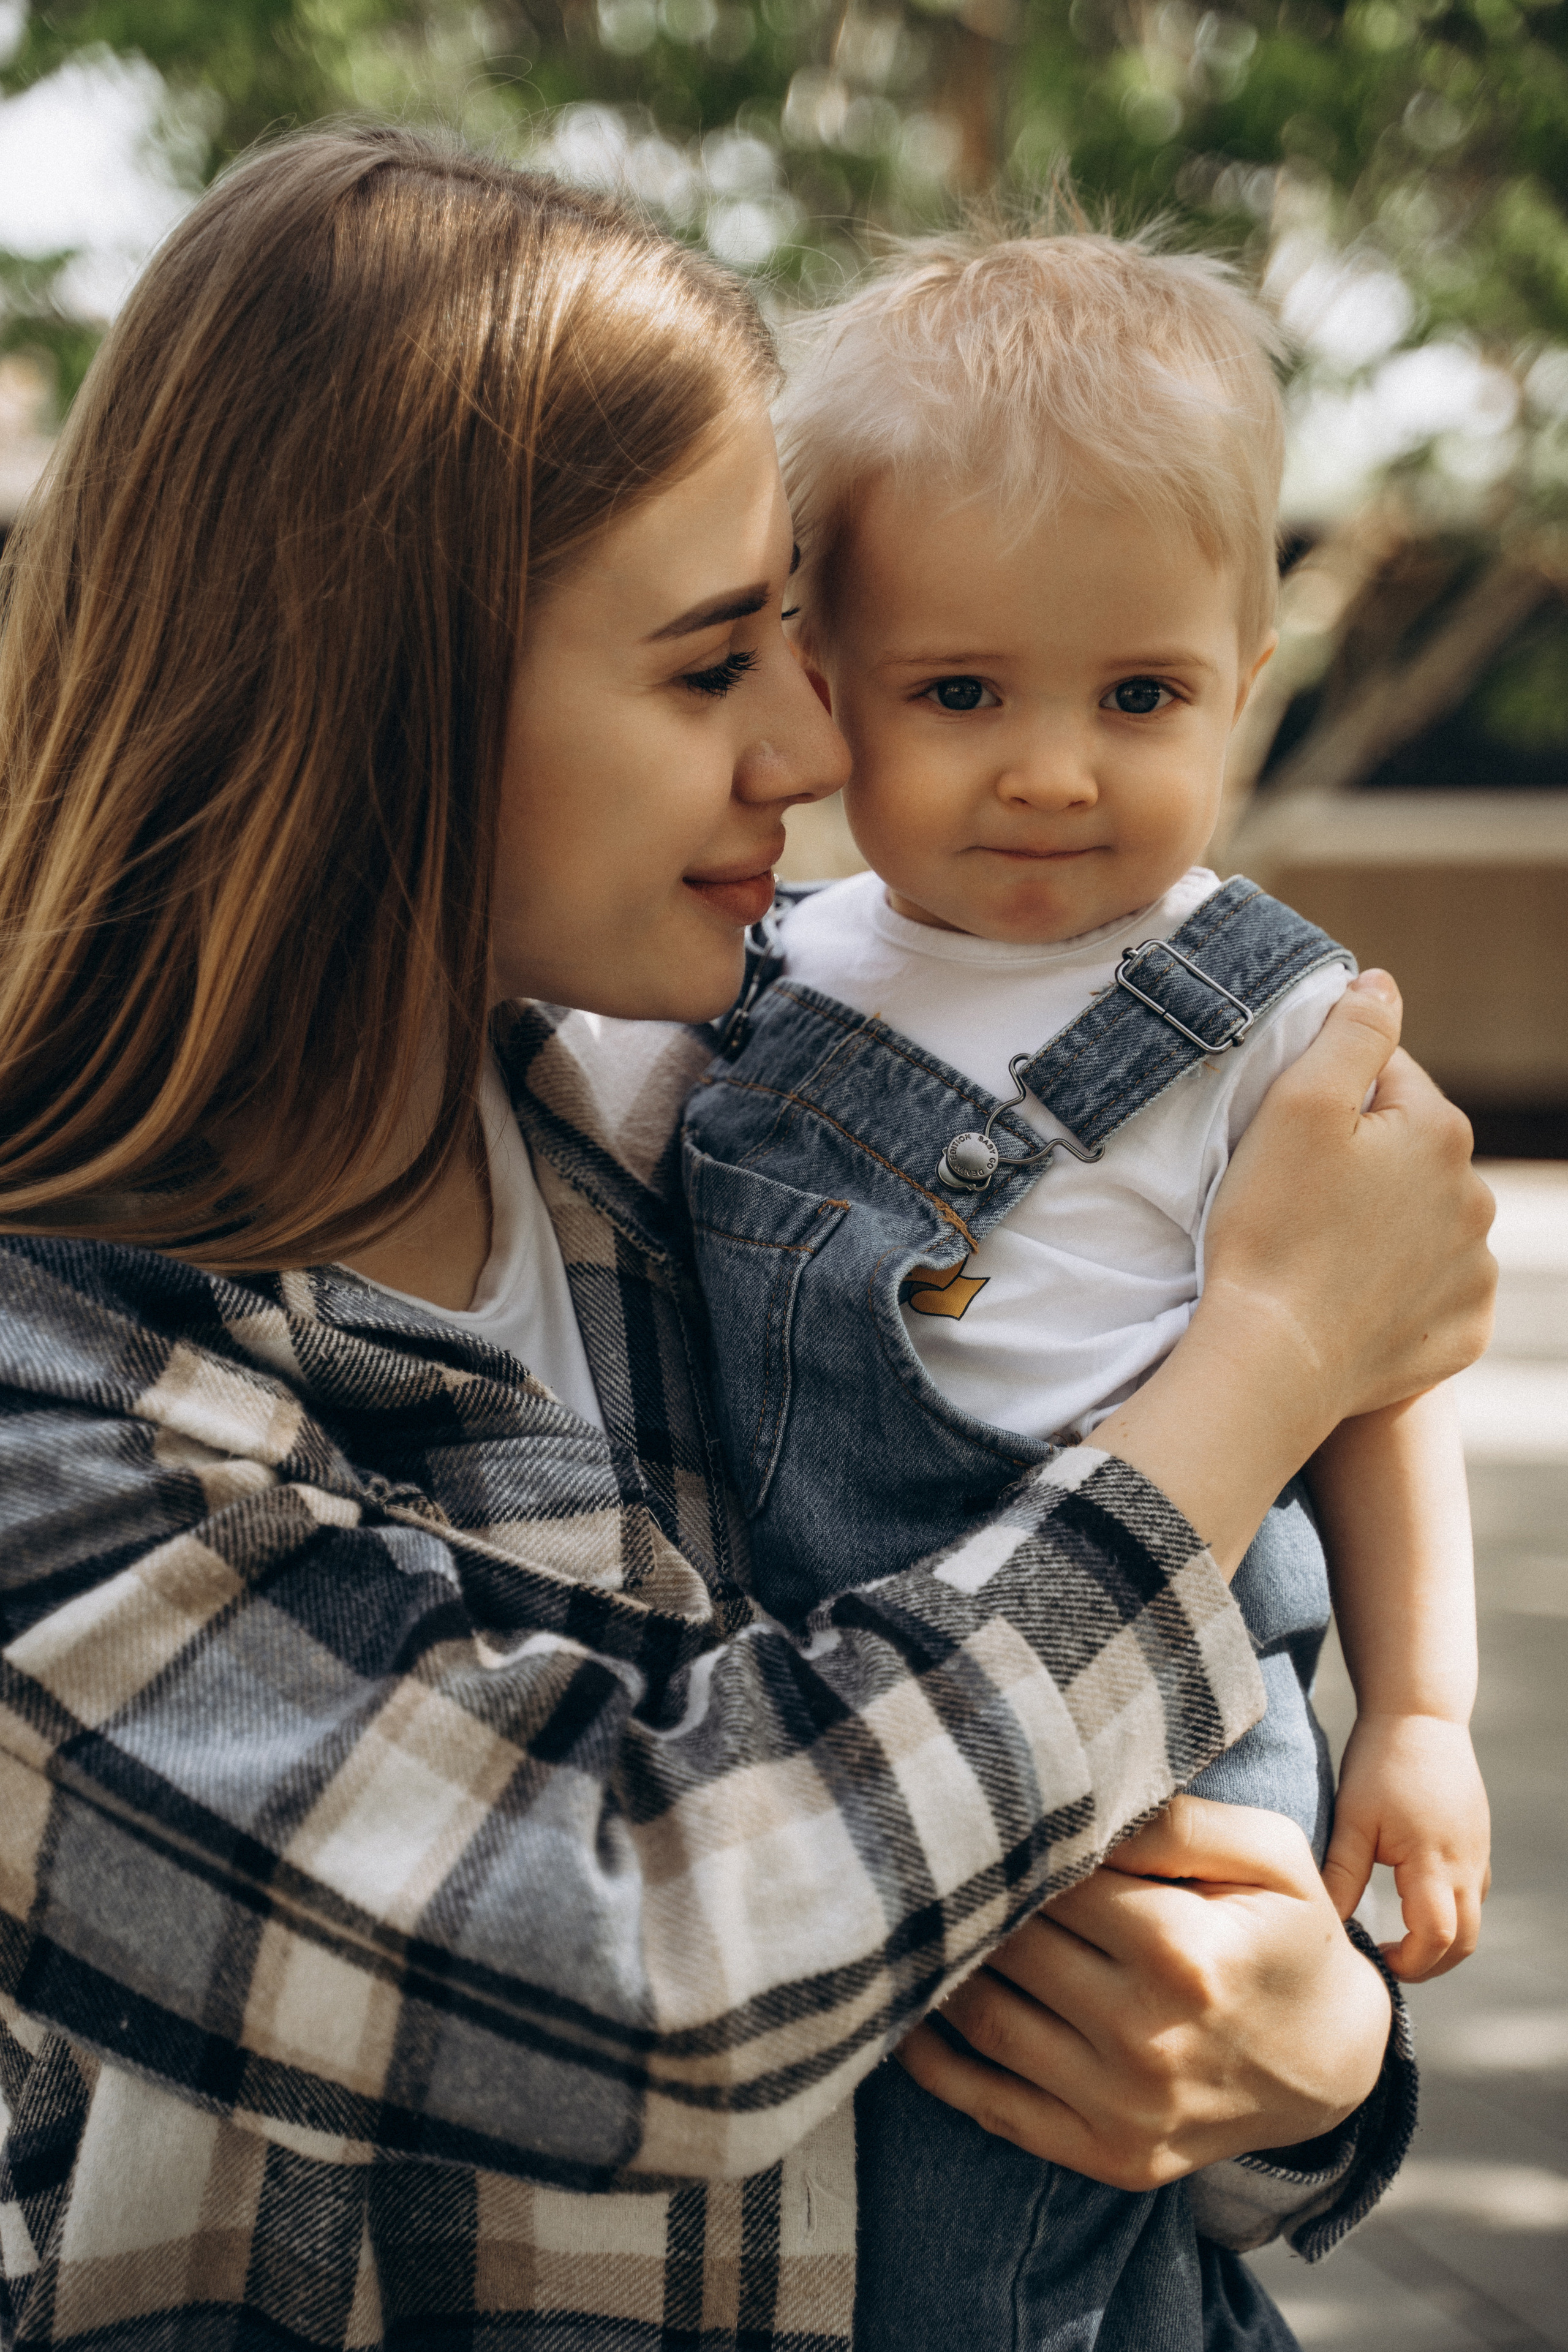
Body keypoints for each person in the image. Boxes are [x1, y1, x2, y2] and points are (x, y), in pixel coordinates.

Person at [0, 130, 1493, 2352]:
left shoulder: (666, 1139)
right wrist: (1270, 1355)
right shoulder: (55, 1378)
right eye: (716, 666)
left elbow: (1009, 1916)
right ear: (386, 692)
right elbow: (649, 1974)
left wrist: (1308, 2068)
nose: (812, 743)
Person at [680, 228, 1491, 2342]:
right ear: (823, 678)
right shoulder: (759, 971)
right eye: (963, 694)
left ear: (1243, 672)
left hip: (1161, 1754)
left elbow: (1382, 1381)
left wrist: (1419, 1714)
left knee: (1009, 2232)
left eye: (1140, 697)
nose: (1054, 771)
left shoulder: (1267, 1021)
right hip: (831, 1724)